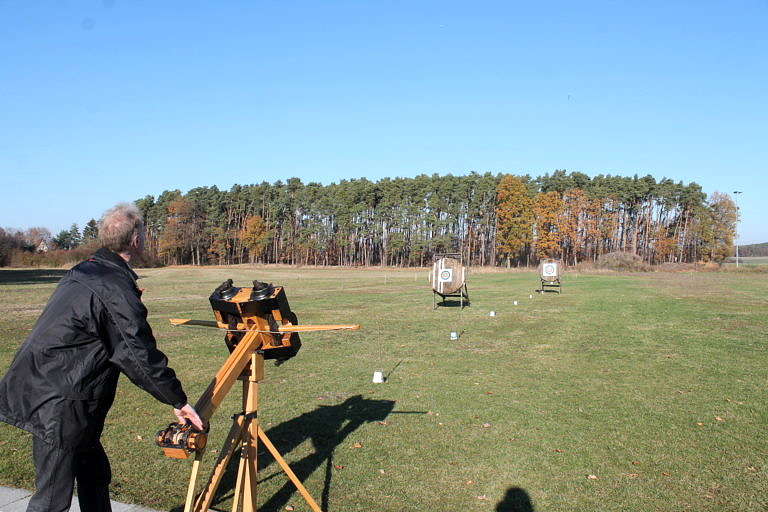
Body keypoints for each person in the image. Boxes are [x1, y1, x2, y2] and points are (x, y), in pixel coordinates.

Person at [0, 202, 203, 512]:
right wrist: (178, 401)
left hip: (57, 391)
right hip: (60, 400)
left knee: (95, 475)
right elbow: (138, 355)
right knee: (51, 499)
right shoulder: (113, 286)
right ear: (136, 240)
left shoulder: (87, 269)